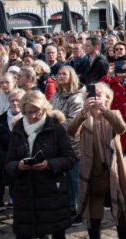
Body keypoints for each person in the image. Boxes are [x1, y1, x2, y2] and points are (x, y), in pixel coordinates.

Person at [69, 82, 126, 239]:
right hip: (92, 171)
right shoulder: (83, 116)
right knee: (93, 214)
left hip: (115, 170)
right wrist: (82, 113)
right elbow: (71, 131)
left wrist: (105, 111)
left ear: (107, 98)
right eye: (90, 95)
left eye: (99, 95)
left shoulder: (113, 113)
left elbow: (121, 128)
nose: (95, 98)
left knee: (121, 210)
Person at [6, 91, 76, 239]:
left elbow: (69, 158)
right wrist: (18, 166)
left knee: (55, 231)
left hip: (51, 192)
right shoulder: (18, 129)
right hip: (25, 193)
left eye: (35, 111)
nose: (31, 116)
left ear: (44, 109)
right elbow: (8, 161)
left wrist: (48, 164)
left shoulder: (55, 128)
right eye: (27, 112)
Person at [51, 65, 86, 223]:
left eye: (64, 74)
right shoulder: (56, 95)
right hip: (59, 143)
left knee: (75, 178)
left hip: (73, 143)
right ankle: (69, 206)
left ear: (72, 76)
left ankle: (80, 210)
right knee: (64, 178)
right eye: (59, 74)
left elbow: (73, 122)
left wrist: (53, 126)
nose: (61, 76)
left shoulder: (77, 97)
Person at [0, 88, 26, 213]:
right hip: (6, 158)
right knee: (4, 178)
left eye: (18, 101)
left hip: (23, 159)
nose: (15, 103)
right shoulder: (2, 119)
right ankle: (2, 202)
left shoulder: (28, 118)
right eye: (12, 100)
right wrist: (6, 158)